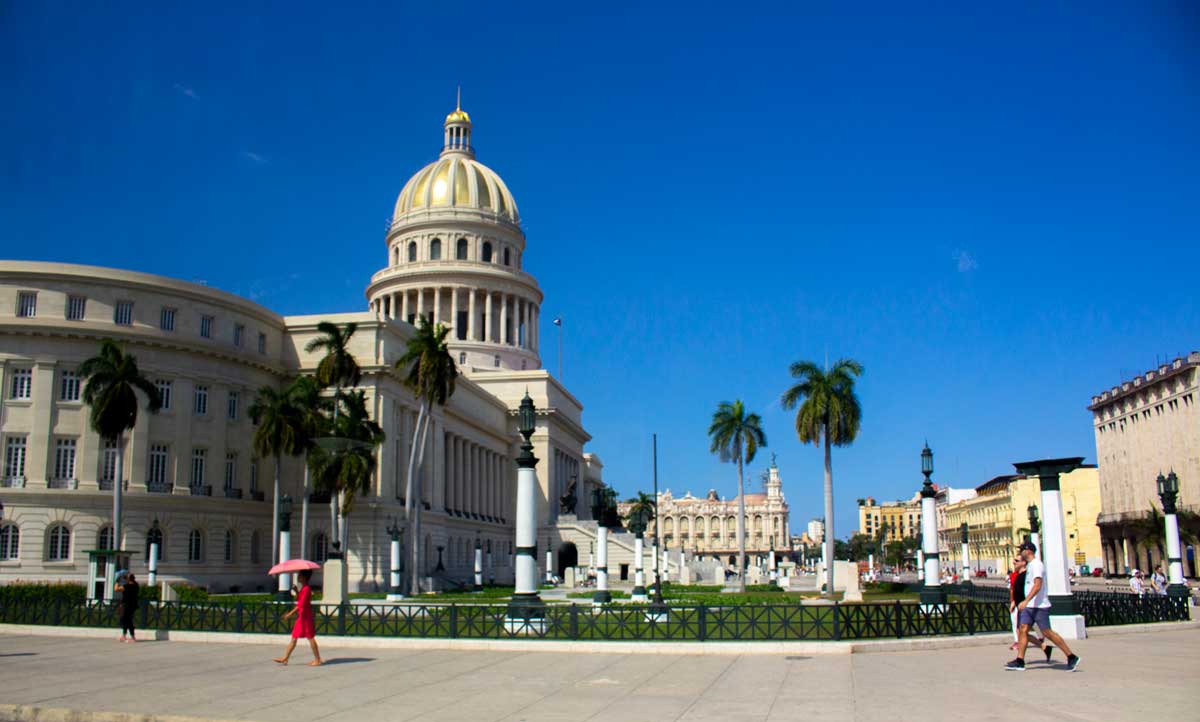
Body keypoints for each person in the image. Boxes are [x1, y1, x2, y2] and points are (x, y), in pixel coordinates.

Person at [1006, 542, 1080, 671]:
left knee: (1047, 632)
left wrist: (1025, 600)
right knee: (1023, 630)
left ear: (1028, 551)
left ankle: (1071, 656)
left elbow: (1037, 585)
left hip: (1039, 605)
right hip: (1030, 606)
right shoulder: (1030, 566)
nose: (1020, 553)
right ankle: (1020, 660)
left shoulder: (1037, 565)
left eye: (1021, 550)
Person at [274, 569, 322, 666]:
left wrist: (290, 614)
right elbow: (300, 600)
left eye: (300, 575)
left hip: (305, 617)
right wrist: (296, 591)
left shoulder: (306, 589)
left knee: (310, 637)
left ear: (304, 577)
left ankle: (317, 659)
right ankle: (285, 658)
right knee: (294, 637)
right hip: (302, 616)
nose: (298, 577)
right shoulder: (304, 588)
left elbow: (301, 605)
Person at [1007, 556, 1049, 657]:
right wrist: (1013, 602)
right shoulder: (1016, 575)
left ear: (1024, 563)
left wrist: (1026, 602)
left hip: (1026, 606)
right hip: (1021, 605)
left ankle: (1020, 659)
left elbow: (1032, 589)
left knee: (1023, 631)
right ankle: (1043, 647)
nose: (1013, 562)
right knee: (1022, 631)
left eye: (1016, 560)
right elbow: (1014, 590)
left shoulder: (1027, 575)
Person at [115, 572, 139, 643]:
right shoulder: (136, 585)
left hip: (126, 605)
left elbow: (116, 589)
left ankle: (132, 637)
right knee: (127, 620)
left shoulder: (126, 586)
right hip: (133, 605)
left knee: (127, 620)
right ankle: (124, 635)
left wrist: (117, 581)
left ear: (128, 579)